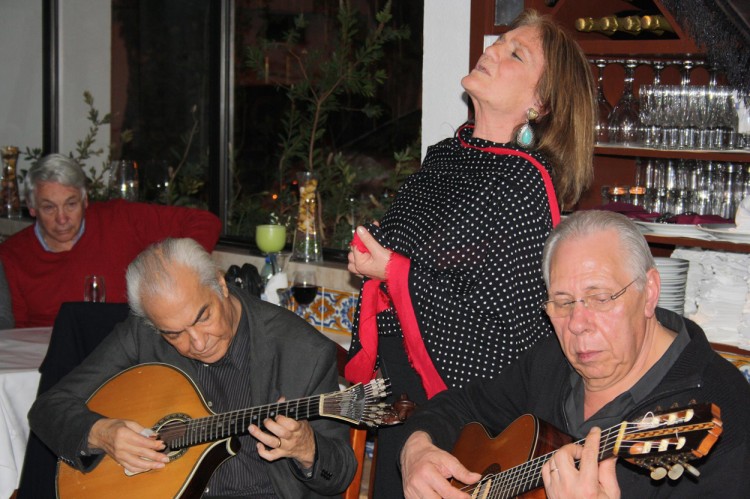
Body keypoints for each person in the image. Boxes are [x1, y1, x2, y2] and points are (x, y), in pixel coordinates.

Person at [345, 9, 595, 496]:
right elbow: (411, 258)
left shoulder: (526, 184)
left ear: (539, 103)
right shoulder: (443, 156)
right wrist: (373, 258)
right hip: (401, 397)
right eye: (498, 42)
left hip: (467, 414)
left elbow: (503, 321)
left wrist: (394, 270)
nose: (492, 51)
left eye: (514, 53)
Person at [399, 210, 750, 498]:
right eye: (563, 302)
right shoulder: (551, 360)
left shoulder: (725, 413)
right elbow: (459, 407)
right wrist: (416, 448)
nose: (578, 324)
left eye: (600, 298)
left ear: (649, 292)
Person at [28, 237, 356, 498]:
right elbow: (48, 409)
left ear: (220, 284)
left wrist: (307, 448)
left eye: (203, 318)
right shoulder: (141, 335)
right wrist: (101, 433)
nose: (198, 342)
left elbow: (339, 475)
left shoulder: (303, 352)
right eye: (174, 334)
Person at [0, 153, 222, 327]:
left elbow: (204, 222)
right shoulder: (13, 254)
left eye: (71, 204)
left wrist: (173, 270)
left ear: (85, 200)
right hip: (46, 359)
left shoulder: (119, 218)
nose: (62, 218)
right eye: (49, 207)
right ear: (31, 208)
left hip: (120, 351)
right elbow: (19, 332)